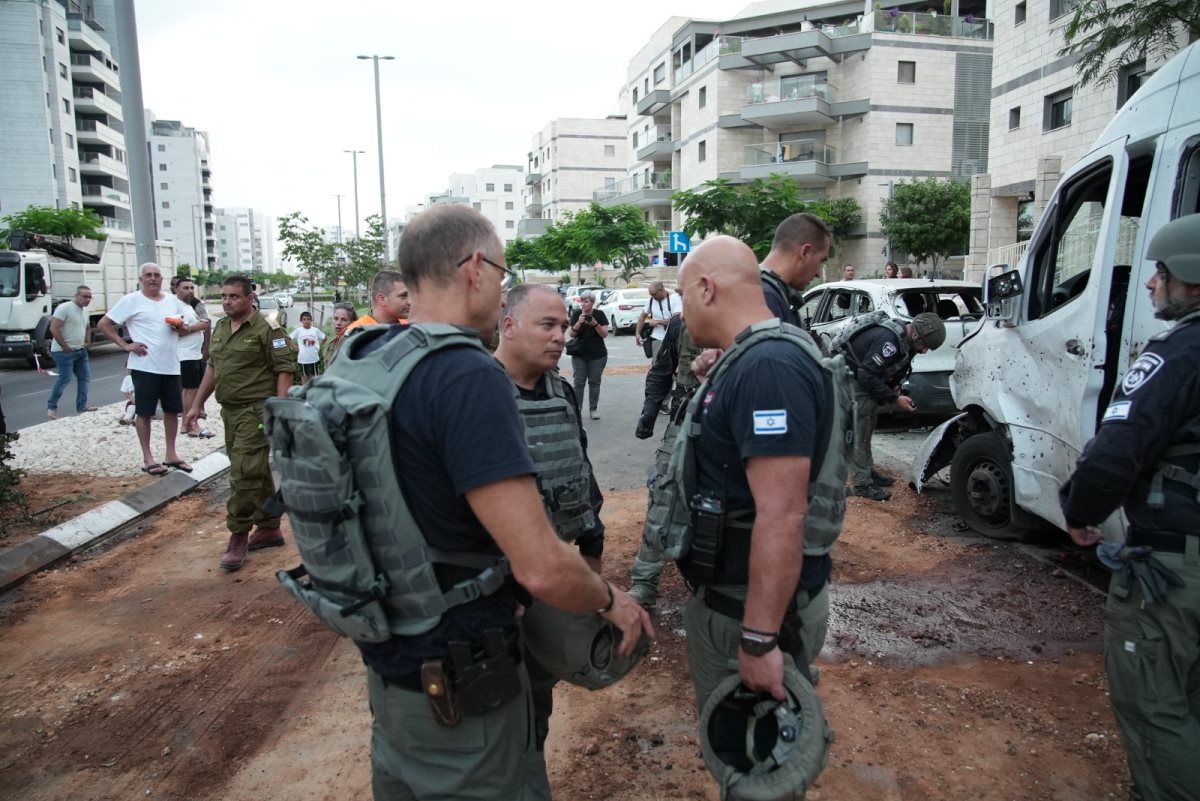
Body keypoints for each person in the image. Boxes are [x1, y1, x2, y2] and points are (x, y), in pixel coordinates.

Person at [348, 205, 652, 800]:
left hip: (393, 670)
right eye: (502, 270)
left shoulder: (372, 364)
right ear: (476, 268)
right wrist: (612, 600)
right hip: (466, 685)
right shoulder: (465, 373)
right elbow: (538, 560)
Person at [1058, 213, 1200, 801]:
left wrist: (1080, 511)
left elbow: (1114, 454)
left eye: (1160, 272)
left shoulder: (1179, 352)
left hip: (1176, 567)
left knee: (1156, 704)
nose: (1149, 283)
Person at [667, 235, 830, 716]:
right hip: (733, 597)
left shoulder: (768, 367)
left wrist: (759, 639)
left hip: (747, 608)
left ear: (706, 288)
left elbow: (782, 513)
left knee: (755, 764)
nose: (682, 311)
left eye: (681, 296)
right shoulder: (750, 360)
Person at [493, 282, 606, 751]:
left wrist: (592, 547)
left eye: (563, 325)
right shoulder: (477, 393)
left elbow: (581, 470)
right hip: (493, 595)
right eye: (548, 325)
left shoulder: (559, 388)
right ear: (509, 326)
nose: (561, 336)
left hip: (552, 585)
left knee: (537, 707)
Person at [184, 276, 296, 571]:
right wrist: (196, 404)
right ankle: (270, 528)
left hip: (256, 412)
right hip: (229, 412)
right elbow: (213, 368)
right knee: (254, 469)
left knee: (245, 472)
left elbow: (285, 370)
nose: (227, 301)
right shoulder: (221, 328)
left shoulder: (268, 329)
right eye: (224, 296)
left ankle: (238, 533)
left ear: (249, 298)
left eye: (234, 297)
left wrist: (279, 411)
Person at [833, 311, 946, 501]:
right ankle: (862, 482)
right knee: (861, 425)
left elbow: (893, 368)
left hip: (862, 376)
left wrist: (895, 387)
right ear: (917, 334)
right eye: (925, 345)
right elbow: (866, 374)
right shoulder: (889, 341)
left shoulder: (907, 342)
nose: (925, 351)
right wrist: (894, 399)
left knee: (868, 423)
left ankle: (867, 470)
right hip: (849, 376)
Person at [97, 263, 192, 476]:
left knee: (171, 411)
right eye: (148, 275)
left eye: (156, 275)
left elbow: (184, 329)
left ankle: (171, 453)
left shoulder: (172, 301)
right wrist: (125, 345)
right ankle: (148, 457)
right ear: (141, 279)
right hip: (145, 365)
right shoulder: (131, 300)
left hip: (171, 366)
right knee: (144, 412)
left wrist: (180, 327)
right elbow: (104, 324)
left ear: (162, 279)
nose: (152, 279)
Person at [759, 212, 832, 327]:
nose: (818, 273)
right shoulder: (766, 297)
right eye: (821, 261)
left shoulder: (765, 291)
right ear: (805, 252)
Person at [46, 285, 97, 420]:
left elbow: (87, 326)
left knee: (84, 377)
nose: (87, 300)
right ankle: (52, 406)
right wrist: (65, 346)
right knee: (65, 378)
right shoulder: (64, 308)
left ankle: (82, 406)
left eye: (89, 297)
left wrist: (87, 341)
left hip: (80, 350)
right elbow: (54, 328)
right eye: (84, 296)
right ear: (76, 296)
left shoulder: (85, 310)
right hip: (63, 352)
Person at [173, 278, 213, 437]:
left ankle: (186, 424)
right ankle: (191, 424)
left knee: (192, 390)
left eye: (191, 287)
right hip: (185, 355)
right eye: (185, 288)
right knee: (191, 390)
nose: (190, 290)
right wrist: (198, 326)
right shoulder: (175, 306)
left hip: (194, 354)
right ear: (176, 289)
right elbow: (177, 330)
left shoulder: (190, 306)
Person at [567, 289, 609, 420]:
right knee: (579, 382)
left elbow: (605, 334)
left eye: (586, 301)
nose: (583, 304)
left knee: (594, 382)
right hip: (579, 354)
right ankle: (577, 408)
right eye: (581, 301)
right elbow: (571, 334)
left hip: (598, 354)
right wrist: (579, 322)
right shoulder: (576, 314)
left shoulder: (600, 314)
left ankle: (593, 409)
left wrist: (595, 323)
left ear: (592, 302)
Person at [344, 270, 411, 331]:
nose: (410, 302)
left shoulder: (409, 328)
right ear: (382, 299)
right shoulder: (356, 333)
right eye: (403, 296)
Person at [634, 281, 677, 358]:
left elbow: (676, 320)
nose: (653, 297)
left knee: (673, 364)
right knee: (657, 364)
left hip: (674, 338)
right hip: (657, 338)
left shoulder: (675, 299)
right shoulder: (651, 301)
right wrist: (637, 333)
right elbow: (642, 317)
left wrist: (657, 322)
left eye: (654, 294)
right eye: (651, 295)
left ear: (661, 289)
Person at [290, 311, 326, 384]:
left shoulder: (315, 330)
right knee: (303, 376)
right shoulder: (298, 330)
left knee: (314, 378)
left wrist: (318, 346)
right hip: (302, 359)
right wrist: (294, 347)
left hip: (313, 359)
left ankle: (314, 392)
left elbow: (325, 338)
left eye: (308, 319)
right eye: (304, 319)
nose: (306, 321)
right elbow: (288, 338)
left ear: (311, 320)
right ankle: (305, 392)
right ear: (301, 321)